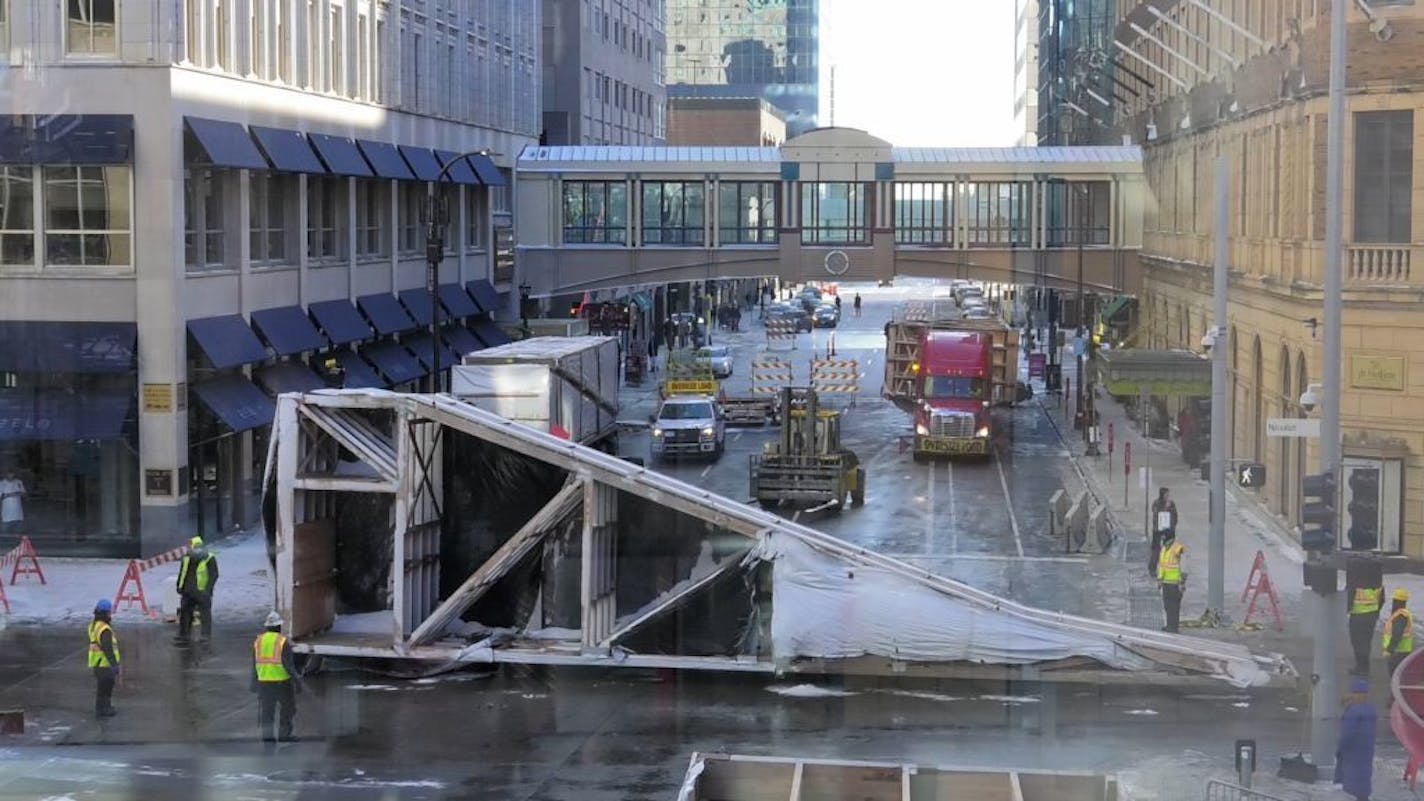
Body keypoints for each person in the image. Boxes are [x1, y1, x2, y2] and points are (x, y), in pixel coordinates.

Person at [252, 610, 301, 742]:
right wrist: (297, 681)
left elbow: (254, 664)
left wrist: (253, 683)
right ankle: (284, 735)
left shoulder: (258, 641)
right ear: (279, 626)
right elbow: (288, 665)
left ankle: (267, 738)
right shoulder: (282, 641)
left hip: (264, 682)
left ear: (267, 626)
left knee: (267, 712)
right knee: (288, 708)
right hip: (282, 682)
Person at [1335, 677, 1377, 801]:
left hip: (1353, 752)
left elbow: (1347, 735)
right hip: (1367, 750)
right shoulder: (1370, 709)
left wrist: (1340, 749)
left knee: (1353, 781)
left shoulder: (1353, 712)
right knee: (1364, 779)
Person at [175, 536, 219, 644]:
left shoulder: (205, 557)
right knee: (192, 614)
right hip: (195, 591)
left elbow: (213, 575)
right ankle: (191, 635)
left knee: (196, 614)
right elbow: (182, 573)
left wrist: (208, 589)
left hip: (195, 591)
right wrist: (180, 586)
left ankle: (193, 635)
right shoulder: (190, 557)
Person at [1346, 570, 1384, 675]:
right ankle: (1365, 667)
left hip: (1357, 617)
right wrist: (1376, 611)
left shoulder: (1355, 582)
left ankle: (1360, 667)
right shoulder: (1378, 583)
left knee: (1357, 642)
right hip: (1371, 617)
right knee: (1366, 642)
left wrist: (1347, 610)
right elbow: (1382, 600)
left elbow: (1348, 599)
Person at [88, 599, 120, 717]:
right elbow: (107, 647)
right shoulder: (104, 628)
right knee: (107, 686)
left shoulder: (94, 625)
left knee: (101, 687)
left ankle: (100, 707)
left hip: (97, 662)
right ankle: (105, 708)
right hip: (104, 663)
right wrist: (113, 663)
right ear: (106, 613)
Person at [1157, 528, 1184, 633]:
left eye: (1164, 536)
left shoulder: (1176, 548)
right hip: (1165, 582)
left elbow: (1183, 562)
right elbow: (1162, 566)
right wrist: (1160, 579)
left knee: (1174, 606)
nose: (1162, 538)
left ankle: (1173, 627)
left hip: (1174, 583)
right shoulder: (1164, 548)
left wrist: (1182, 582)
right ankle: (1169, 625)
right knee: (1167, 605)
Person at [1383, 588, 1414, 678]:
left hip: (1398, 652)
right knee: (1399, 674)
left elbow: (1397, 634)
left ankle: (1393, 691)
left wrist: (1390, 649)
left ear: (1398, 602)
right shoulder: (1403, 614)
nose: (1393, 603)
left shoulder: (1400, 616)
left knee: (1395, 675)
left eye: (1395, 601)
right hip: (1401, 651)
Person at [1148, 488, 1178, 576]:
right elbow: (1157, 515)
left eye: (1168, 495)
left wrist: (1173, 526)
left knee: (1168, 550)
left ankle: (1166, 568)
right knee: (1156, 550)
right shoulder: (1156, 504)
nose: (1168, 497)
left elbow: (1175, 515)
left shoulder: (1172, 504)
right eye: (1166, 495)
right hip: (1158, 530)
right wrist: (1166, 508)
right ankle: (1152, 568)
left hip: (1169, 531)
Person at [0, 467, 25, 543]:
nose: (10, 475)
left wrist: (11, 494)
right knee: (5, 528)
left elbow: (23, 493)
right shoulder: (2, 483)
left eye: (12, 473)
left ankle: (17, 543)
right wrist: (13, 494)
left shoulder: (18, 482)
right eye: (9, 474)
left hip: (17, 511)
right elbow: (2, 496)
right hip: (6, 510)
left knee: (18, 529)